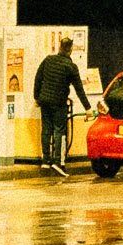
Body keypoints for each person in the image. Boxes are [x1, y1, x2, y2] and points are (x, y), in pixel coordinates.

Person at [32, 35, 89, 174]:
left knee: (46, 130)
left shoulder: (48, 60)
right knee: (59, 131)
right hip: (59, 103)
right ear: (70, 49)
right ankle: (58, 162)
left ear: (59, 47)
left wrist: (37, 98)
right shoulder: (71, 66)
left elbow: (38, 79)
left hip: (45, 101)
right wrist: (87, 107)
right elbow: (79, 88)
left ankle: (46, 160)